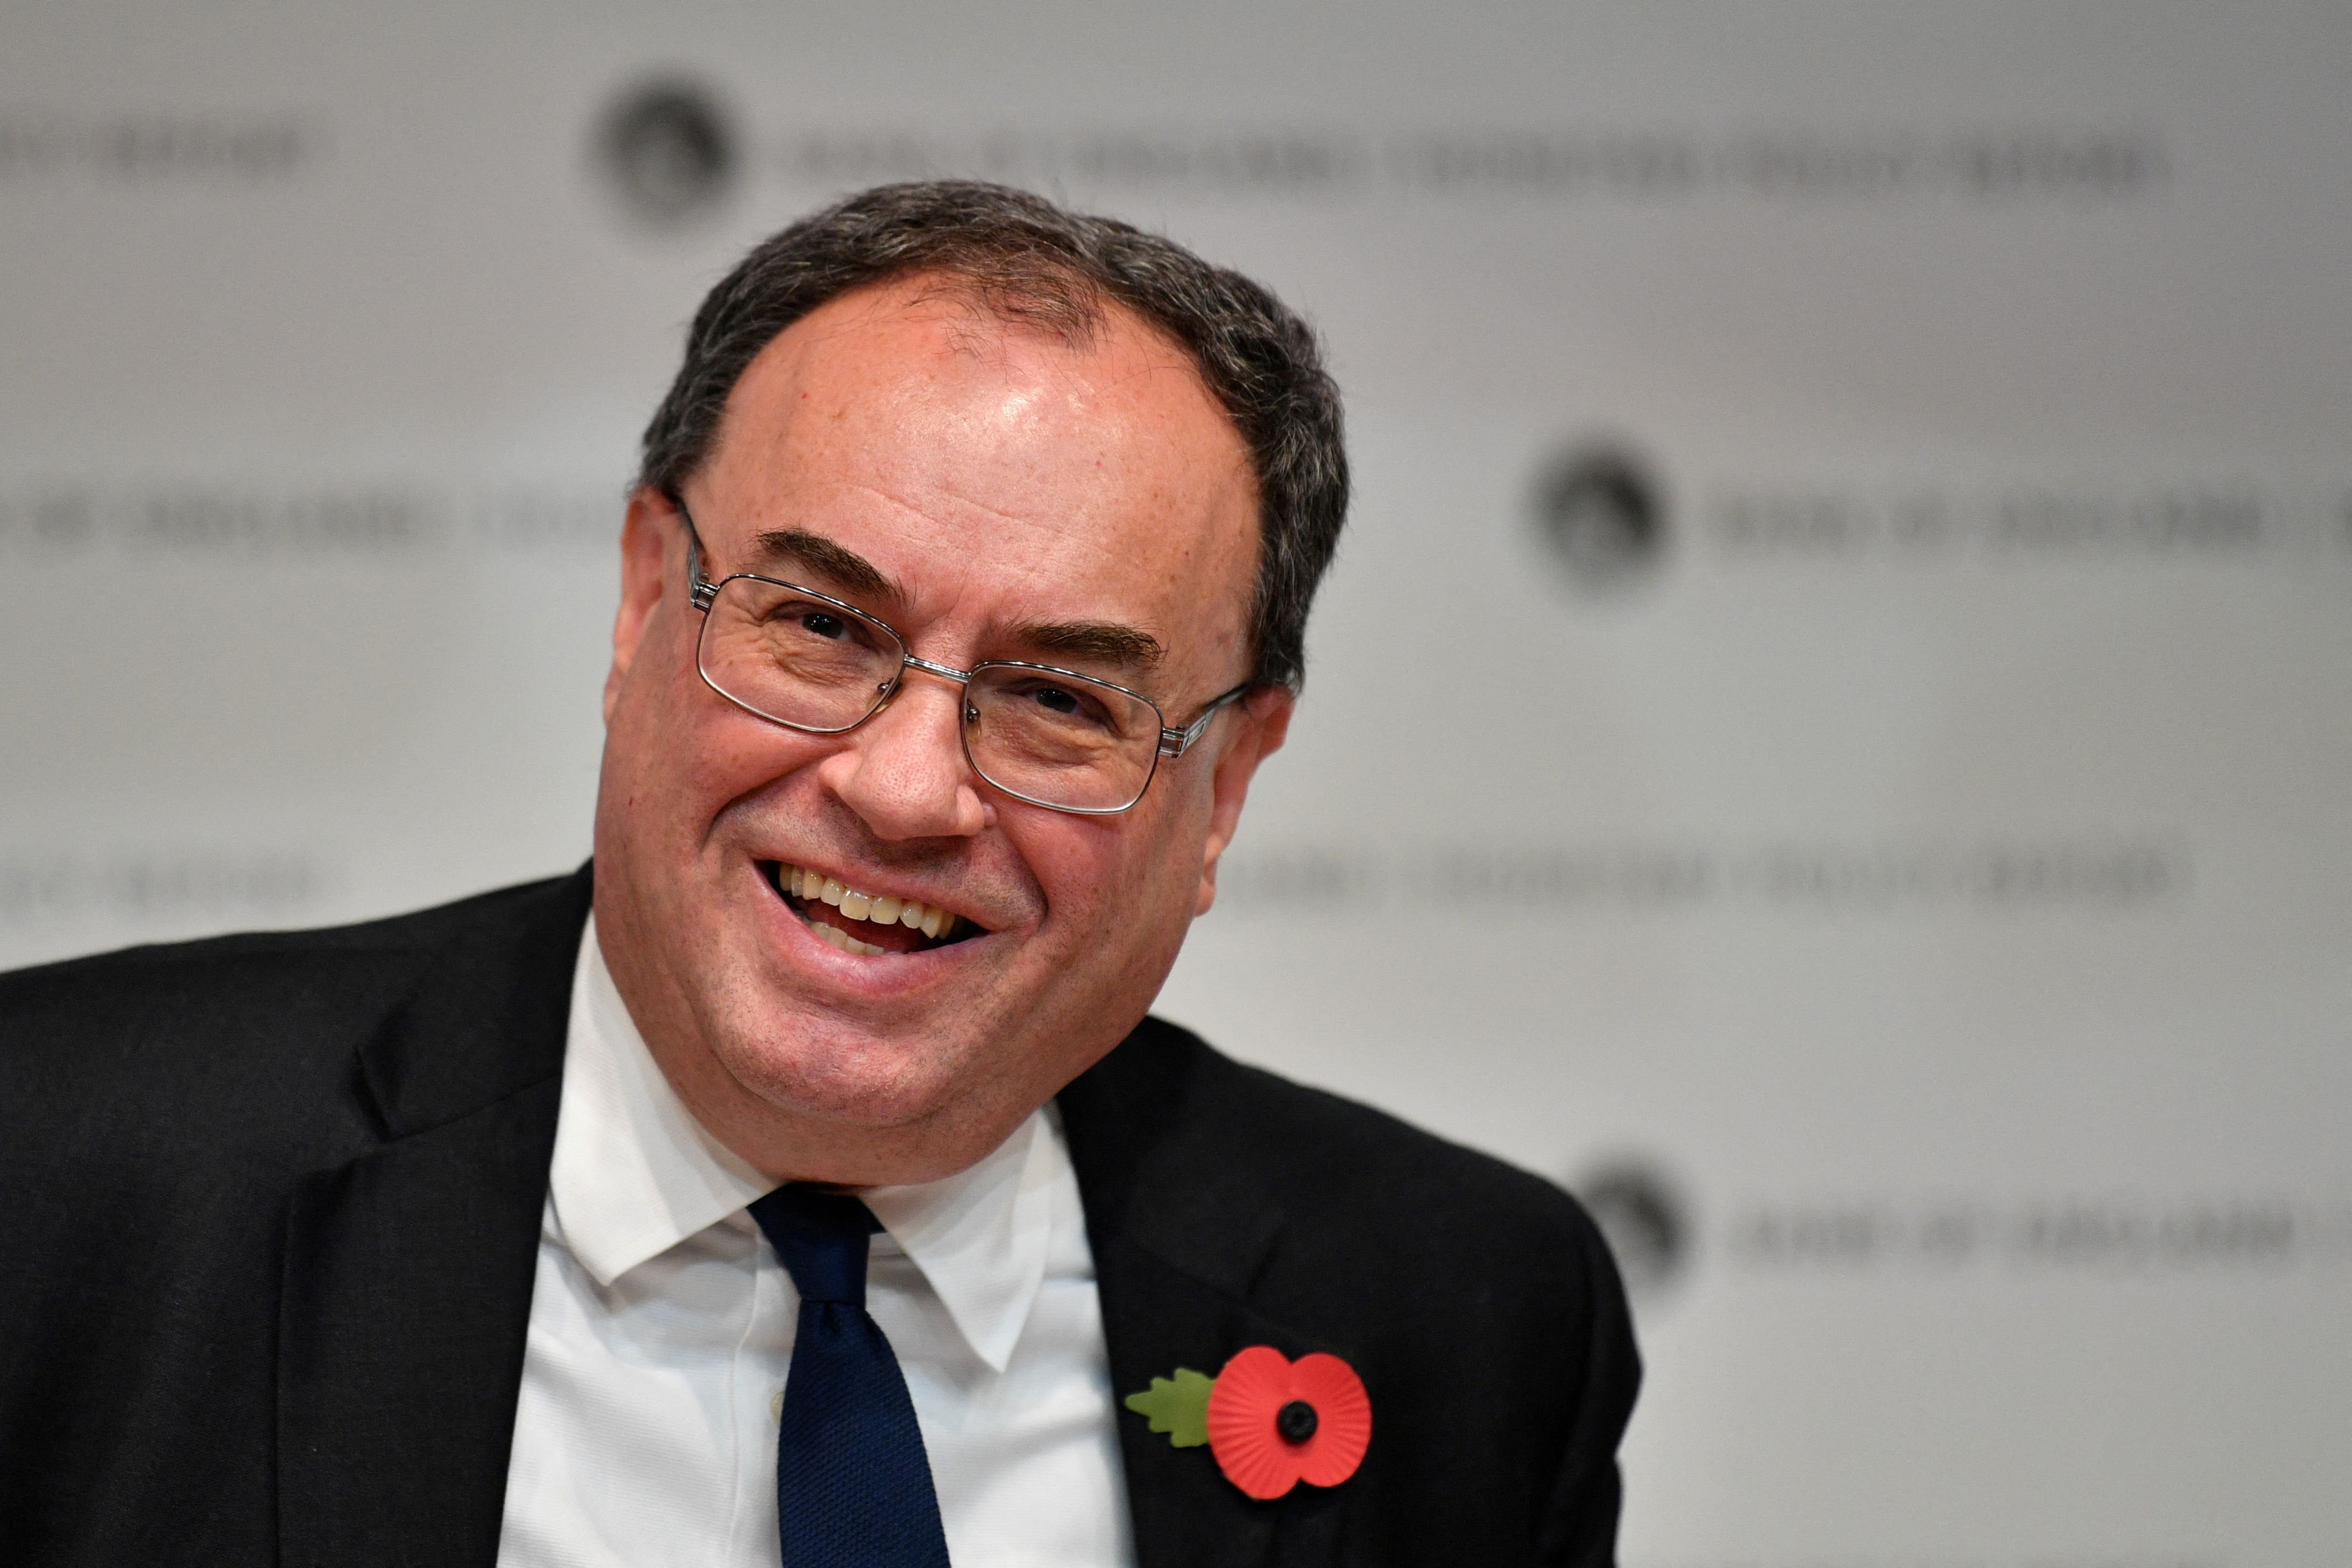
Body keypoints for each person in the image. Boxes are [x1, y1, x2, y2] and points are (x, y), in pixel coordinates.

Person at [0, 181, 1637, 1567]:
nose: (906, 790)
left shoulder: (1460, 1309)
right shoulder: (57, 1169)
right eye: (821, 626)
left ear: (1227, 788)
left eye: (1065, 700)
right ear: (646, 600)